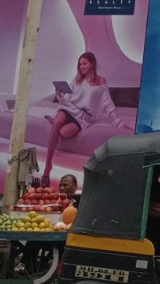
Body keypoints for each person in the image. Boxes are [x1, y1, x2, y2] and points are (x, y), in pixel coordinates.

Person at [41, 51, 114, 184]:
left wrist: (119, 123)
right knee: (58, 122)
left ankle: (53, 120)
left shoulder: (100, 81)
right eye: (80, 64)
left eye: (84, 64)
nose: (81, 67)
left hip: (82, 117)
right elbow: (66, 101)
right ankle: (47, 167)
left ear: (92, 64)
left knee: (63, 132)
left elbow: (108, 103)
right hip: (68, 109)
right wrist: (59, 95)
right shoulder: (76, 80)